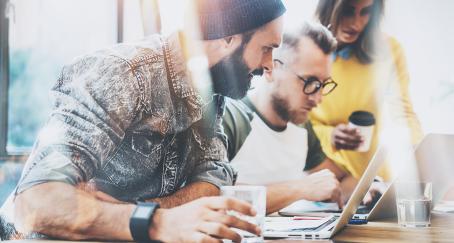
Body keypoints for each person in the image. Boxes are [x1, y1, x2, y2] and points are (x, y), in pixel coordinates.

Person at [0, 0, 286, 241]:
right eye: (267, 48)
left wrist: (146, 212)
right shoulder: (122, 74)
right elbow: (35, 202)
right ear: (228, 39)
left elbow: (213, 178)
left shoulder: (210, 84)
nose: (270, 66)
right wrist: (157, 223)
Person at [223, 22, 359, 214]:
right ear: (271, 70)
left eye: (323, 84)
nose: (318, 98)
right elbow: (212, 198)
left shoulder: (301, 126)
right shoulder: (230, 117)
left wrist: (370, 188)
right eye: (310, 82)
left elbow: (342, 179)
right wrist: (301, 188)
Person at [310, 0, 423, 180]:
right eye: (348, 11)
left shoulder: (389, 49)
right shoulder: (305, 51)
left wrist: (418, 152)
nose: (356, 23)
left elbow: (402, 112)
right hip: (326, 173)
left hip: (372, 175)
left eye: (365, 12)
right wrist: (330, 136)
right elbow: (296, 126)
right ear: (329, 7)